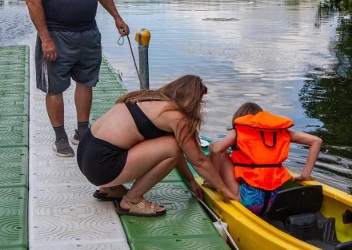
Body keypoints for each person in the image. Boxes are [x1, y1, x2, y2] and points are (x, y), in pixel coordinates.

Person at [26, 0, 129, 157]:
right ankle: (60, 137)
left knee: (86, 80)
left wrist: (117, 17)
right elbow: (33, 1)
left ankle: (82, 131)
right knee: (55, 86)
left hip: (88, 32)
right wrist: (46, 38)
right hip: (57, 34)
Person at [77, 75, 240, 217]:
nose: (200, 105)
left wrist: (190, 180)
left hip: (86, 155)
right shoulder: (177, 117)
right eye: (200, 101)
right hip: (101, 165)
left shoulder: (148, 99)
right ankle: (132, 200)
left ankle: (109, 188)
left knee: (169, 145)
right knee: (171, 148)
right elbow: (198, 161)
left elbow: (177, 148)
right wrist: (225, 190)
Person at [208, 102, 322, 215]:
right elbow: (316, 141)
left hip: (249, 202)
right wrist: (305, 175)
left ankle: (212, 182)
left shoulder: (239, 131)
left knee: (218, 149)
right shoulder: (280, 132)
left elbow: (216, 150)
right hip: (276, 202)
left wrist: (215, 181)